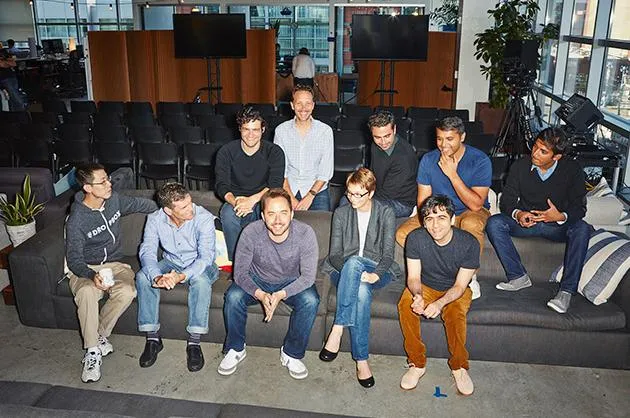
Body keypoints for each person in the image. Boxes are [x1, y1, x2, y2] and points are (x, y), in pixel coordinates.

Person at [65, 163, 157, 383]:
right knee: (87, 292)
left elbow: (140, 204)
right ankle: (92, 351)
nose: (109, 184)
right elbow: (74, 259)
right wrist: (91, 276)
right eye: (103, 181)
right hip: (86, 268)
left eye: (108, 178)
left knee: (127, 291)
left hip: (115, 265)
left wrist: (168, 208)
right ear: (88, 188)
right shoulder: (77, 220)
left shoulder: (113, 200)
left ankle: (99, 335)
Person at [485, 127, 592, 314]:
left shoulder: (573, 169)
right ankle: (518, 277)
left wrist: (560, 216)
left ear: (556, 157)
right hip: (527, 224)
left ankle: (566, 292)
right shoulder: (520, 165)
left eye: (543, 151)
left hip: (556, 226)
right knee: (494, 223)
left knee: (582, 228)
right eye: (535, 146)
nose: (534, 153)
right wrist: (518, 214)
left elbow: (579, 207)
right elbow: (507, 201)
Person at [219, 188, 320, 380]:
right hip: (257, 278)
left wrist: (281, 294)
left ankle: (291, 353)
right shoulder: (251, 232)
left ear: (292, 214)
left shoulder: (305, 233)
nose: (278, 220)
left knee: (311, 300)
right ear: (263, 216)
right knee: (233, 296)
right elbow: (239, 274)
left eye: (283, 213)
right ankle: (236, 348)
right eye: (271, 213)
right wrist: (260, 294)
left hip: (291, 280)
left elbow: (307, 278)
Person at [319, 168, 401, 388]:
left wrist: (375, 274)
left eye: (358, 194)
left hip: (377, 268)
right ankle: (362, 360)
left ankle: (338, 327)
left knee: (357, 264)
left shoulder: (386, 213)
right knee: (361, 287)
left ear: (371, 193)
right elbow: (335, 255)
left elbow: (388, 255)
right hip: (344, 270)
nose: (352, 199)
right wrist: (352, 271)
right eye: (349, 193)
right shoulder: (341, 213)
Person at [396, 116, 491, 299]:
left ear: (462, 137)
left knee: (471, 224)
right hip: (437, 210)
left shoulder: (480, 160)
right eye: (439, 139)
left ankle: (470, 277)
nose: (443, 145)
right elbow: (423, 201)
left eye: (449, 139)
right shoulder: (428, 159)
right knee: (403, 233)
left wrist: (452, 175)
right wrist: (433, 221)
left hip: (469, 211)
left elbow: (476, 203)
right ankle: (438, 270)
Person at [397, 195, 479, 396]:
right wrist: (418, 295)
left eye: (441, 218)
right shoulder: (415, 238)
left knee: (455, 313)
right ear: (424, 222)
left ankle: (459, 367)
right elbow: (413, 278)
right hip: (425, 285)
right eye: (429, 219)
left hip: (454, 289)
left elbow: (460, 286)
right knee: (406, 304)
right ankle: (417, 363)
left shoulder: (469, 243)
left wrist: (440, 303)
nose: (435, 225)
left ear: (452, 219)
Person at [136, 183, 219, 372]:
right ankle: (153, 338)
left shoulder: (203, 218)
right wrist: (157, 277)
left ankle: (194, 343)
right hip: (171, 262)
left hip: (201, 264)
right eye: (183, 207)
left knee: (200, 281)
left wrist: (181, 276)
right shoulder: (155, 219)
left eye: (190, 203)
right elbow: (147, 251)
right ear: (168, 210)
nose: (191, 209)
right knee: (143, 277)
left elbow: (206, 257)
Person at [215, 106, 285, 261]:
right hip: (237, 200)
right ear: (240, 129)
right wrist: (236, 202)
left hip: (264, 198)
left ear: (263, 130)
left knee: (270, 212)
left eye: (255, 130)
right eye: (246, 129)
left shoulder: (274, 152)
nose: (251, 135)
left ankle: (264, 259)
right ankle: (236, 261)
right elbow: (221, 184)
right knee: (227, 214)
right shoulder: (226, 151)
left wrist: (252, 200)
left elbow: (275, 185)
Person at [274, 85, 334, 211]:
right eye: (299, 103)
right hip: (289, 188)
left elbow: (325, 172)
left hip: (316, 190)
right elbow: (280, 169)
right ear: (292, 105)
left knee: (322, 222)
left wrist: (310, 196)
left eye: (307, 103)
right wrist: (290, 197)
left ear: (313, 105)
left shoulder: (325, 131)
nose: (303, 108)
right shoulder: (281, 131)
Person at [367, 110, 418, 217]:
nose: (383, 142)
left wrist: (363, 198)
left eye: (387, 136)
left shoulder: (404, 157)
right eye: (377, 137)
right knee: (346, 200)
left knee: (358, 208)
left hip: (401, 203)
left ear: (394, 129)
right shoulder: (375, 145)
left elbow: (386, 194)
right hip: (380, 193)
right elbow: (372, 175)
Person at [0, 46, 24, 111]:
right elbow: (2, 64)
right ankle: (21, 110)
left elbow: (13, 64)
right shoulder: (5, 57)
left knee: (14, 96)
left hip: (12, 77)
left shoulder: (4, 54)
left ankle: (15, 112)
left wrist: (5, 62)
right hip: (4, 78)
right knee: (15, 96)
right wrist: (6, 62)